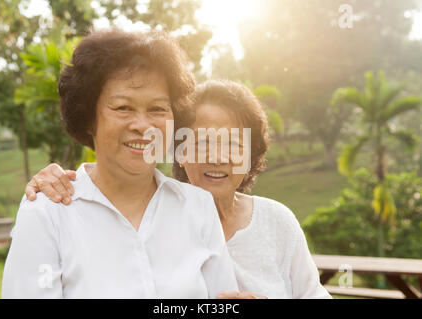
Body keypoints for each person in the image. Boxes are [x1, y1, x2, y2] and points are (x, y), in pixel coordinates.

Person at [26, 79, 331, 299]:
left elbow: (313, 294)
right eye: (201, 142)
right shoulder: (148, 220)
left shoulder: (277, 221)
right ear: (179, 151)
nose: (217, 157)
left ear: (251, 157)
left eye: (233, 144)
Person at [2, 30, 239, 298]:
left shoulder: (198, 207)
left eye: (157, 109)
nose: (142, 126)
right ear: (89, 118)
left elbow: (224, 300)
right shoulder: (48, 212)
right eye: (123, 108)